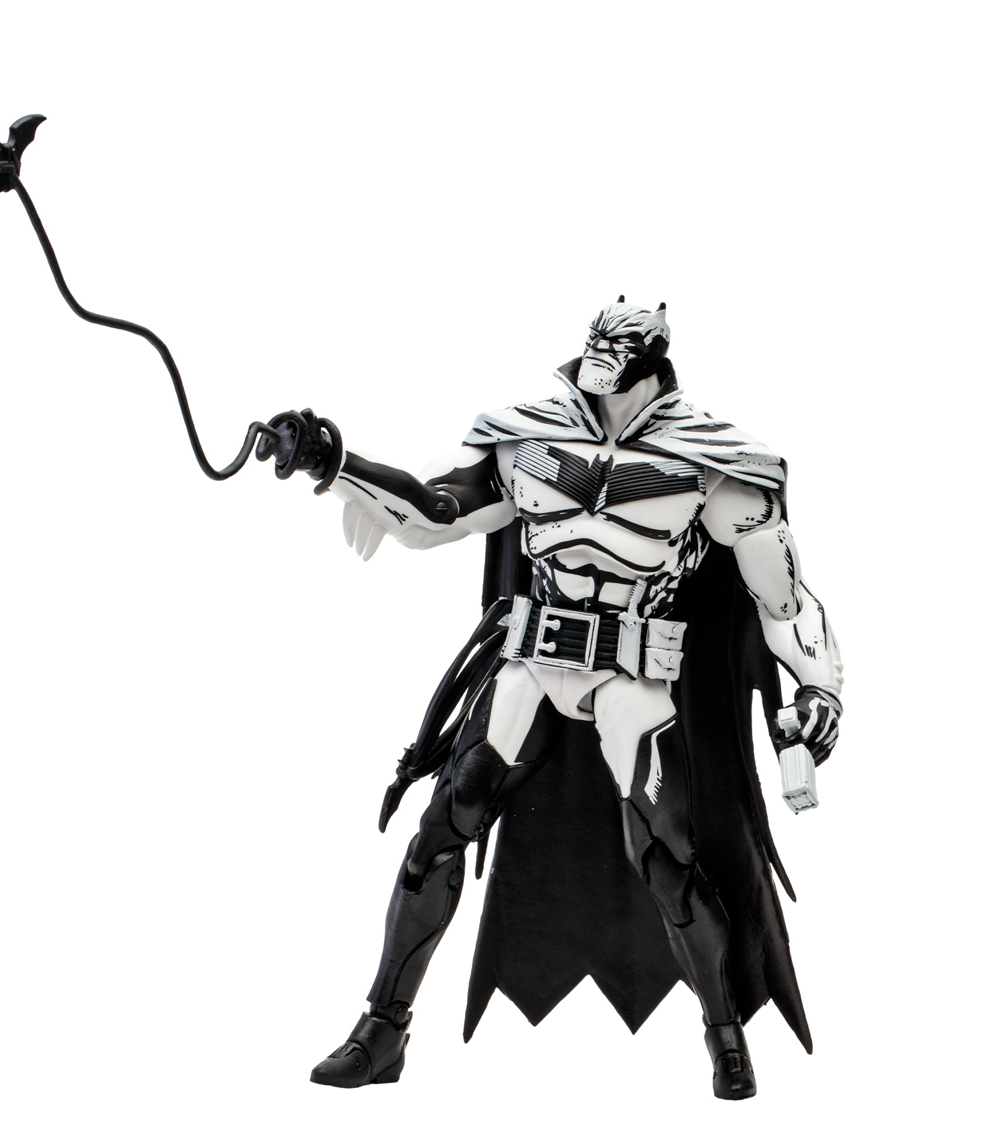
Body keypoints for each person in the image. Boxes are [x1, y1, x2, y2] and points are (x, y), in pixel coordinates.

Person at [260, 299, 842, 1099]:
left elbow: (784, 600)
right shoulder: (526, 439)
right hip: (533, 663)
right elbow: (434, 514)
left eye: (620, 354)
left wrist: (820, 689)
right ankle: (382, 1031)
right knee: (443, 828)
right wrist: (333, 461)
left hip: (632, 678)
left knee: (668, 861)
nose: (603, 367)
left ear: (652, 363)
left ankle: (725, 1036)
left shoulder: (712, 462)